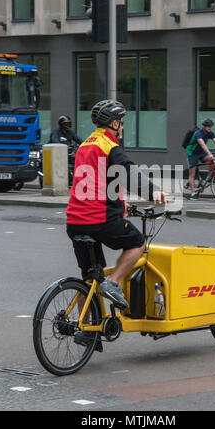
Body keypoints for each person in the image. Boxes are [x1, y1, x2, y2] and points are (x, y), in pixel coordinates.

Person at [66, 100, 167, 310]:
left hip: (75, 220)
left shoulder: (85, 144)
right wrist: (152, 191)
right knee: (137, 242)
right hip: (98, 219)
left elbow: (96, 182)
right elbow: (128, 173)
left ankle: (84, 329)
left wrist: (121, 203)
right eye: (120, 122)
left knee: (89, 278)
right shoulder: (110, 146)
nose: (122, 127)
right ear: (113, 124)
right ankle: (113, 283)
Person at [186, 119, 215, 200]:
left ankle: (207, 179)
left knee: (212, 161)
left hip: (200, 152)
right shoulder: (198, 133)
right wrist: (210, 154)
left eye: (210, 126)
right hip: (192, 153)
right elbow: (203, 145)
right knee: (192, 174)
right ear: (203, 126)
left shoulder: (210, 133)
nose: (209, 128)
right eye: (208, 126)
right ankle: (193, 194)